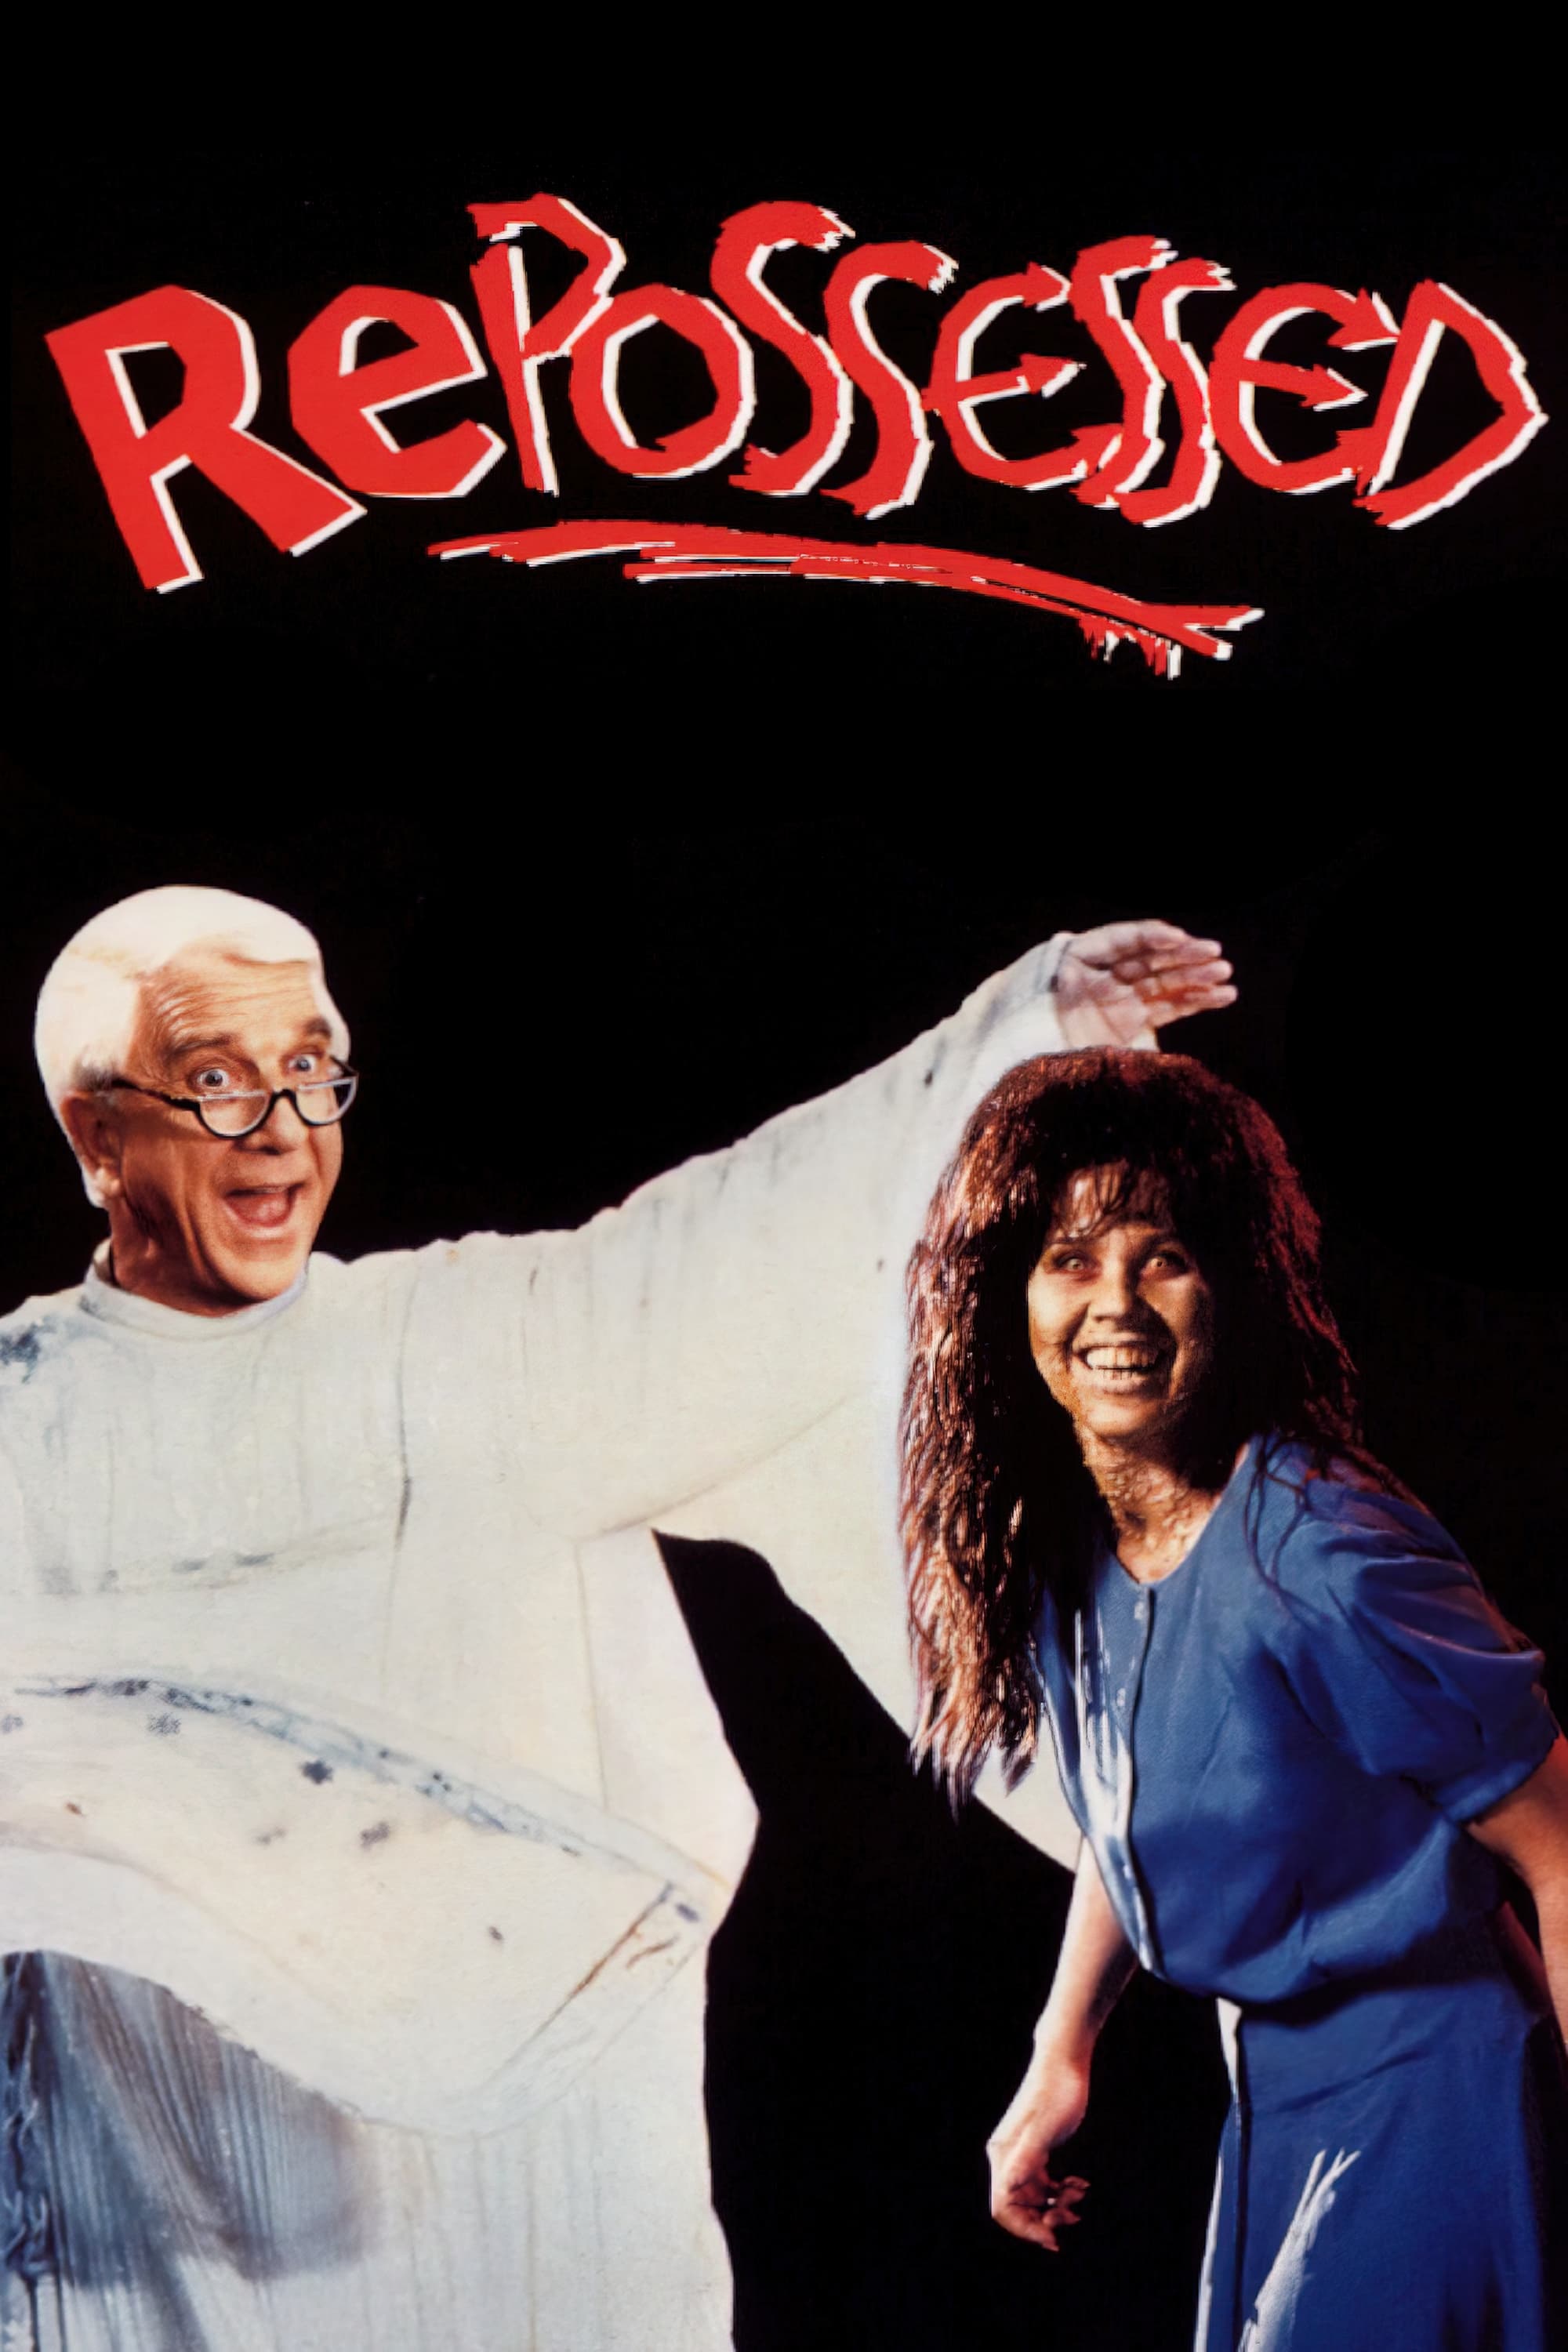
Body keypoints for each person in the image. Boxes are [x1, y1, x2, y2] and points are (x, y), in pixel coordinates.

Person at [0, 886, 1234, 2352]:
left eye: (313, 1072)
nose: (281, 1131)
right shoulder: (23, 1419)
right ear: (95, 1135)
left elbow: (714, 1267)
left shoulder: (451, 1350)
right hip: (150, 2191)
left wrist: (1013, 1043)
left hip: (495, 2188)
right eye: (217, 1083)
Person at [900, 1047, 1568, 2351]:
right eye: (1072, 1258)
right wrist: (1059, 2056)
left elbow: (1559, 1842)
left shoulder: (1323, 1552)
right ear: (1010, 1293)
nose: (1116, 1304)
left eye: (1163, 1257)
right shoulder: (1071, 1557)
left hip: (1437, 2092)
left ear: (1230, 1281)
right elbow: (1132, 1814)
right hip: (1268, 2106)